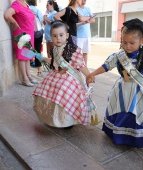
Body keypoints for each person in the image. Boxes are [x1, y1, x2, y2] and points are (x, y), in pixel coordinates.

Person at [87, 18, 143, 147]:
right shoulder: (119, 56)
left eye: (132, 43)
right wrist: (92, 73)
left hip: (138, 91)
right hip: (122, 89)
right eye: (124, 42)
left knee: (135, 112)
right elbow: (106, 66)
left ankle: (134, 138)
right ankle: (119, 136)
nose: (127, 46)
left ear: (141, 41)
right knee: (120, 110)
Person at [33, 21, 93, 128]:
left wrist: (89, 75)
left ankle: (67, 121)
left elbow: (81, 65)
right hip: (55, 75)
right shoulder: (54, 49)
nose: (58, 38)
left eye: (61, 35)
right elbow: (53, 62)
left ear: (67, 35)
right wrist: (41, 57)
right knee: (47, 89)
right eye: (55, 36)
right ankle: (53, 118)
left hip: (70, 77)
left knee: (63, 90)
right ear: (51, 37)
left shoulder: (73, 50)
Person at [4, 0, 38, 86]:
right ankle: (24, 78)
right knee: (23, 56)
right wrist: (15, 23)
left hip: (29, 34)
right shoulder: (17, 4)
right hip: (21, 34)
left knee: (27, 56)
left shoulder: (26, 4)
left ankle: (29, 76)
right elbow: (7, 15)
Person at [27, 0, 44, 77]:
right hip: (38, 33)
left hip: (29, 33)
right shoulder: (38, 10)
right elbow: (41, 22)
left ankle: (28, 71)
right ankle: (39, 70)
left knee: (27, 50)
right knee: (38, 50)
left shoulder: (26, 8)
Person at [77, 0, 95, 65]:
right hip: (78, 36)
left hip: (87, 35)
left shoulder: (88, 9)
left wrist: (87, 18)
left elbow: (93, 19)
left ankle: (85, 68)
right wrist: (89, 17)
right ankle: (78, 69)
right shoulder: (76, 9)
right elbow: (81, 19)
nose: (84, 0)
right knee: (78, 54)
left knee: (85, 53)